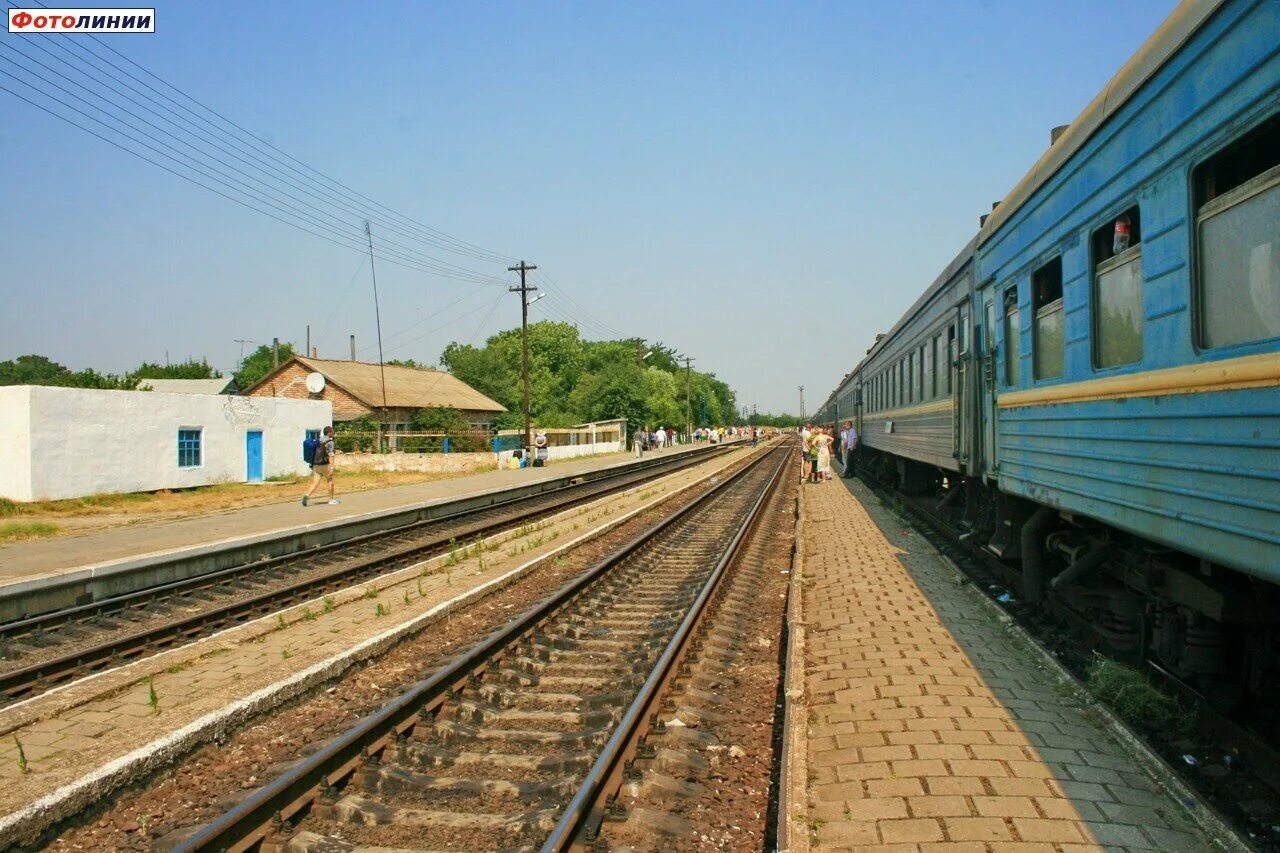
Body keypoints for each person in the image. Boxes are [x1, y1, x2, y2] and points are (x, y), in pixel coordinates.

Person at [302, 426, 339, 506]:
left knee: (315, 483)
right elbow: (331, 456)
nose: (333, 433)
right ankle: (331, 500)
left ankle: (307, 495)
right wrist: (332, 468)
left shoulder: (318, 440)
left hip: (315, 465)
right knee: (330, 481)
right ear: (329, 432)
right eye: (332, 431)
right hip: (324, 465)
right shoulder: (330, 442)